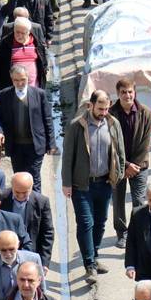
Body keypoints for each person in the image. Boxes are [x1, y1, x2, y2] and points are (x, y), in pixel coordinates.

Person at [62, 89, 125, 282]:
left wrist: (119, 173)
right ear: (91, 105)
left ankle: (95, 255)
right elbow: (67, 157)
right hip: (82, 185)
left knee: (100, 222)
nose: (103, 112)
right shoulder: (77, 126)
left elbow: (120, 151)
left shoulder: (113, 124)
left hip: (104, 182)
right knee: (86, 223)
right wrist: (66, 183)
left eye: (106, 109)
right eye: (100, 108)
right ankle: (89, 265)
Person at [110, 77, 151, 250]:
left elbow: (146, 144)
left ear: (134, 93)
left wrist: (133, 165)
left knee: (139, 201)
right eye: (123, 92)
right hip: (117, 165)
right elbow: (110, 144)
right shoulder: (110, 114)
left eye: (130, 92)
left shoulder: (146, 113)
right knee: (118, 201)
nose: (127, 95)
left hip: (139, 166)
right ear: (118, 93)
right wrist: (125, 165)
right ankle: (122, 233)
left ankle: (138, 233)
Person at [0, 64, 55, 186]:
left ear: (28, 77)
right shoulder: (4, 95)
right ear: (11, 79)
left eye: (23, 79)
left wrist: (51, 144)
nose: (20, 83)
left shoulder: (39, 94)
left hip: (35, 145)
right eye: (16, 80)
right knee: (19, 177)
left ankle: (35, 199)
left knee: (33, 177)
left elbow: (47, 119)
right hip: (15, 146)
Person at [1, 172, 54, 266]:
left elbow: (47, 232)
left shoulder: (42, 202)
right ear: (12, 187)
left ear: (31, 188)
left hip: (30, 253)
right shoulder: (2, 199)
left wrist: (44, 263)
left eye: (25, 192)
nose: (21, 196)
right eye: (17, 192)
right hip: (6, 253)